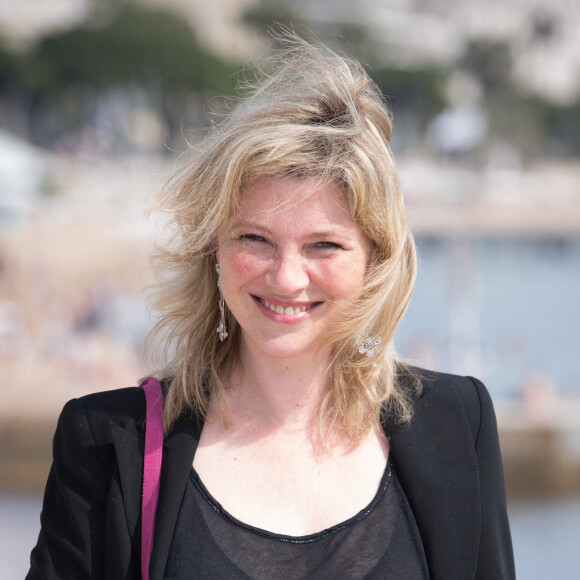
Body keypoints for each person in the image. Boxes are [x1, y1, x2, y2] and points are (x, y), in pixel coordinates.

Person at [27, 34, 515, 580]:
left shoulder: (456, 422)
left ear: (375, 259)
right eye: (255, 239)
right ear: (213, 247)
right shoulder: (105, 441)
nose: (286, 277)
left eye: (323, 245)